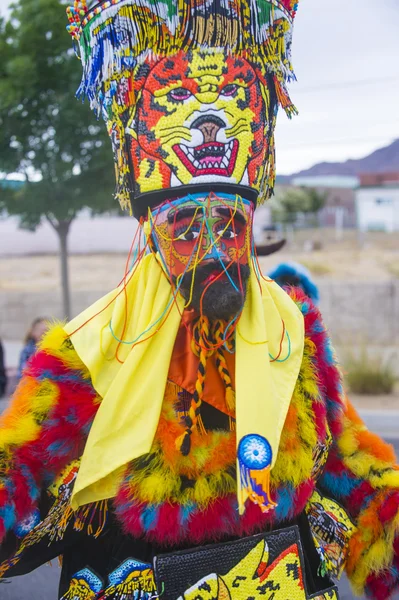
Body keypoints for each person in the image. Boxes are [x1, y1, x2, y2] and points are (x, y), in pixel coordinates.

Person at [1, 2, 399, 599]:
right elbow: (17, 485)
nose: (214, 246)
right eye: (187, 225)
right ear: (152, 235)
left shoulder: (292, 333)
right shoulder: (86, 352)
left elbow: (352, 469)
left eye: (230, 223)